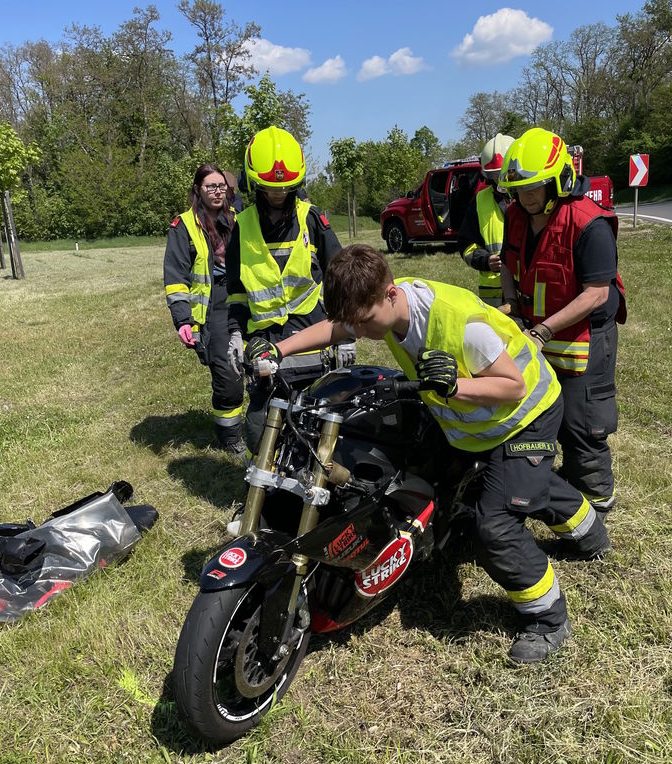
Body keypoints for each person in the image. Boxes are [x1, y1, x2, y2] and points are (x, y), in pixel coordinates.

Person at [246, 244, 612, 665]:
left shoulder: (457, 323)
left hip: (525, 416)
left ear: (390, 294)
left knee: (493, 525)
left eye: (364, 322)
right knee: (508, 483)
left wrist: (456, 386)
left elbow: (514, 386)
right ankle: (589, 531)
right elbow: (338, 327)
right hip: (474, 426)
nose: (359, 333)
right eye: (354, 323)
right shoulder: (380, 308)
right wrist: (280, 349)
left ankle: (548, 618)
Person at [498, 128, 626, 512]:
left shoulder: (589, 223)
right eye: (519, 189)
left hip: (585, 335)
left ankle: (597, 504)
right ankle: (557, 494)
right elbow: (507, 262)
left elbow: (597, 293)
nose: (525, 197)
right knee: (536, 416)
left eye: (533, 188)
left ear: (559, 181)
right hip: (538, 332)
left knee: (582, 424)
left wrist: (543, 330)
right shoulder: (516, 216)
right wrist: (510, 303)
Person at [226, 126, 355, 453]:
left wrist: (347, 333)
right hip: (264, 345)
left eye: (285, 188)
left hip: (313, 341)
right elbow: (236, 291)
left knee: (320, 425)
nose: (278, 195)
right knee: (260, 432)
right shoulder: (242, 227)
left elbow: (340, 277)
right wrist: (235, 334)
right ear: (253, 184)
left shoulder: (312, 219)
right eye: (270, 189)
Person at [163, 164, 245, 457]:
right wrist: (182, 319)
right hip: (213, 307)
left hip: (244, 298)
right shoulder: (183, 225)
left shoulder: (239, 219)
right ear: (198, 190)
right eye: (211, 186)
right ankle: (230, 436)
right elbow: (176, 276)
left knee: (258, 363)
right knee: (228, 372)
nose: (217, 191)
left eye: (221, 186)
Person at [457, 133, 514, 306]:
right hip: (494, 296)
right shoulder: (480, 201)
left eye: (504, 173)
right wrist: (485, 260)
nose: (500, 179)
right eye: (494, 175)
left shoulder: (529, 199)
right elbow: (466, 245)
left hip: (526, 290)